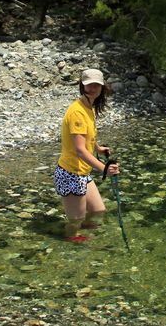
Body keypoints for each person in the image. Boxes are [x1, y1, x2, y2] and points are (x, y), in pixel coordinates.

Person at [53, 67, 120, 242]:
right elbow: (80, 150)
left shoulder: (88, 106)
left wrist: (98, 149)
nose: (92, 88)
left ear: (102, 87)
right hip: (71, 174)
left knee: (98, 211)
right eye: (89, 85)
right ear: (82, 86)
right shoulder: (77, 112)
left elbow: (87, 138)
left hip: (82, 172)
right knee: (76, 221)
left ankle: (87, 240)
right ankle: (70, 247)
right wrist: (104, 169)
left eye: (96, 85)